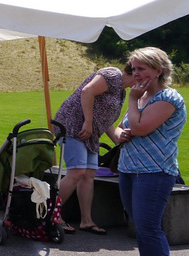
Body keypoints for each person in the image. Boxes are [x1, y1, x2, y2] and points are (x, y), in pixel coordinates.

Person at [111, 47, 186, 256]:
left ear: (158, 70)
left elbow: (141, 127)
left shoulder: (168, 97)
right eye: (133, 68)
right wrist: (119, 133)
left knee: (149, 227)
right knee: (139, 225)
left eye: (141, 68)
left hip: (154, 171)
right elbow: (124, 126)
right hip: (130, 169)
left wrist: (132, 101)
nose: (136, 73)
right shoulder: (142, 97)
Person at [52, 65, 135, 234]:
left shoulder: (122, 91)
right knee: (77, 172)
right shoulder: (112, 75)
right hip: (73, 125)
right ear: (135, 72)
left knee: (89, 174)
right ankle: (51, 214)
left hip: (90, 132)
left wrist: (118, 140)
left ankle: (86, 221)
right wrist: (88, 122)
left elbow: (106, 121)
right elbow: (87, 91)